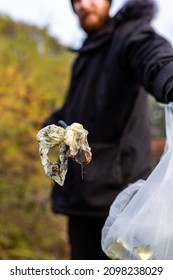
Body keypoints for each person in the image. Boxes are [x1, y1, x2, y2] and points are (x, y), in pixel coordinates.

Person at [43, 0, 173, 259]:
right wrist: (53, 126)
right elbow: (76, 110)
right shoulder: (85, 57)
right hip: (80, 198)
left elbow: (155, 58)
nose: (83, 5)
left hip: (119, 205)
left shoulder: (129, 35)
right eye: (76, 1)